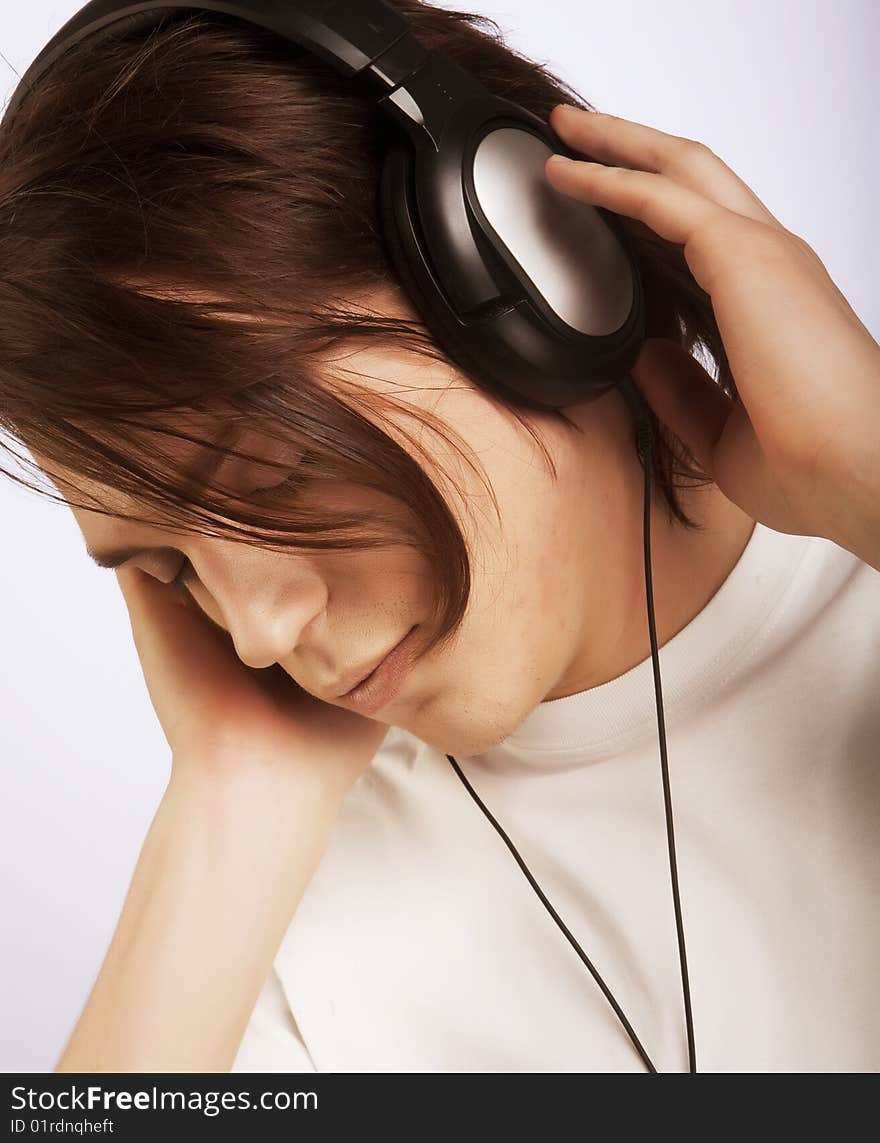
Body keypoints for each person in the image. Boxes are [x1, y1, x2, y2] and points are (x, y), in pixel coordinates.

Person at [2, 3, 878, 1073]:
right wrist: (233, 800)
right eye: (171, 567)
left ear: (527, 266)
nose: (257, 634)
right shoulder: (246, 935)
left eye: (274, 467)